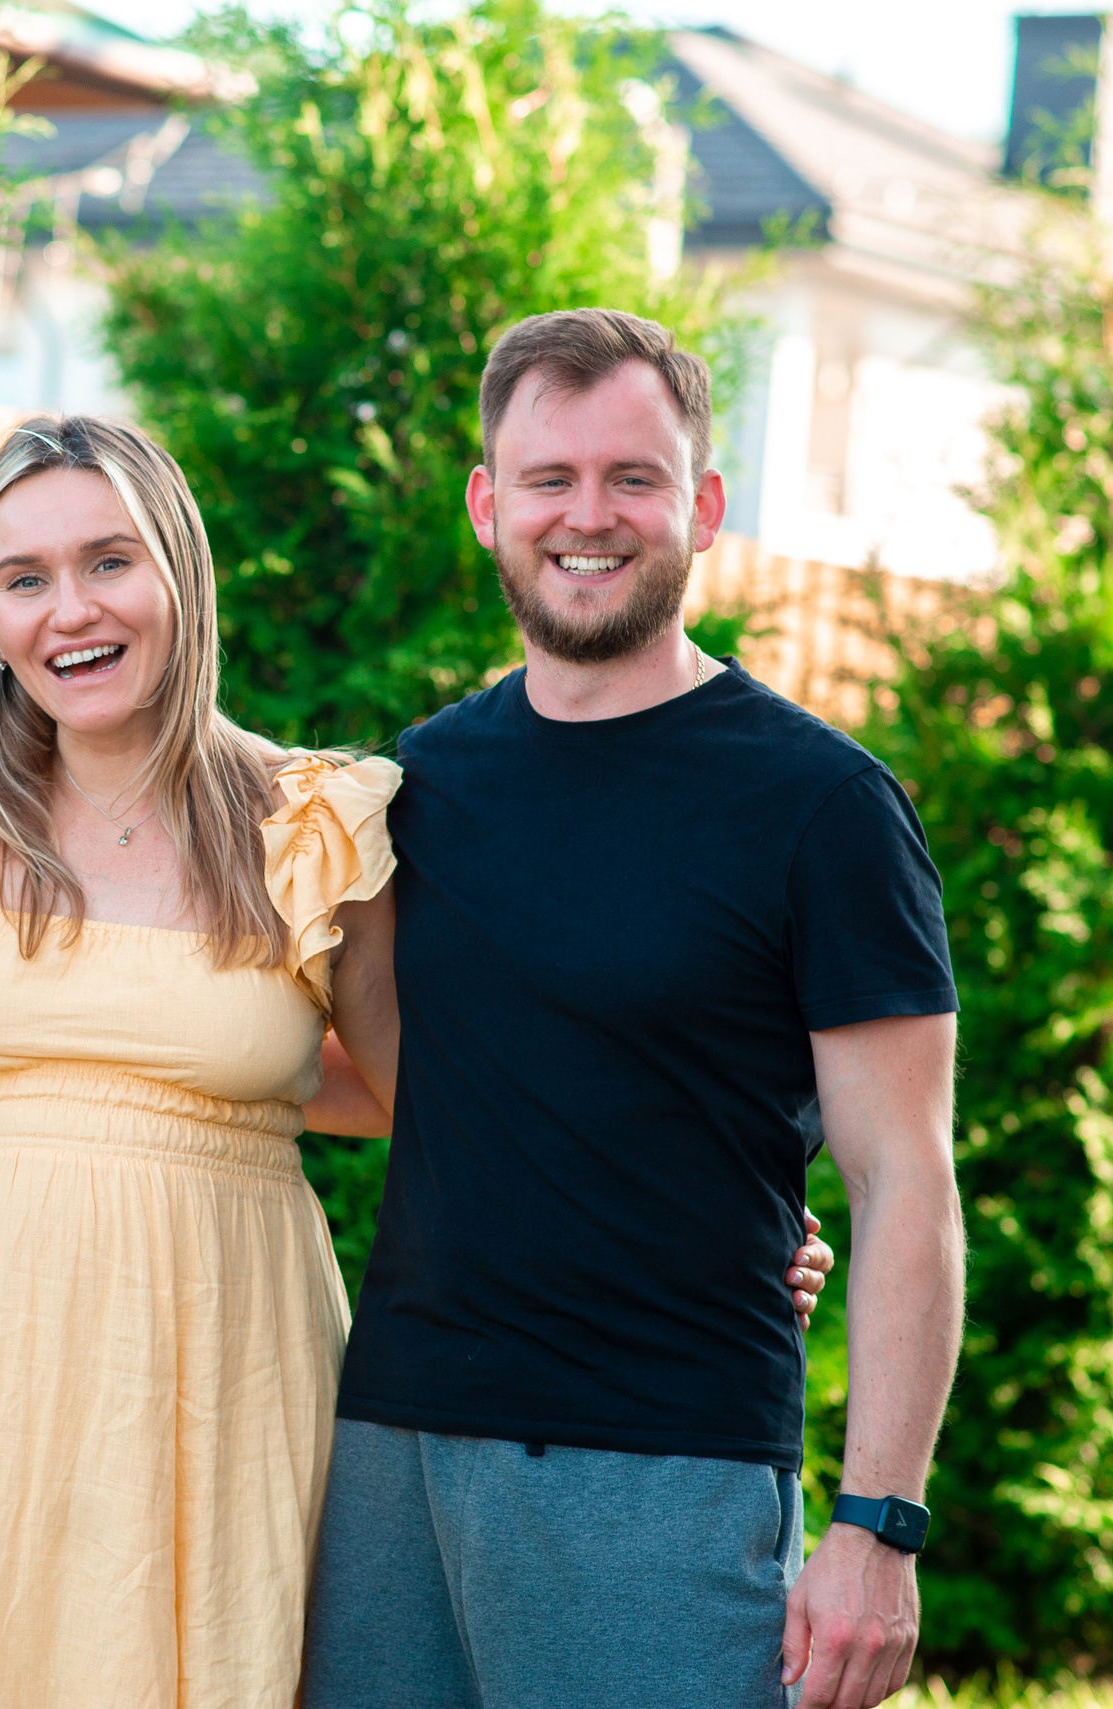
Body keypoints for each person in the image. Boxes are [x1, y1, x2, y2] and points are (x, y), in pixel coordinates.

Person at [0, 416, 837, 1707]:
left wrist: (700, 1229)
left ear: (180, 571)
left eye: (109, 561)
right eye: (24, 577)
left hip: (221, 1372)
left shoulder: (312, 826)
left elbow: (451, 1104)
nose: (70, 609)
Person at [302, 309, 966, 1709]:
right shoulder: (421, 785)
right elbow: (412, 1080)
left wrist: (878, 1523)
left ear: (704, 506)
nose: (587, 515)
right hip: (391, 1460)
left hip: (662, 1466)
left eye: (633, 478)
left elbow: (904, 1178)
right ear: (488, 506)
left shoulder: (822, 808)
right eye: (547, 478)